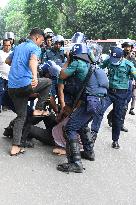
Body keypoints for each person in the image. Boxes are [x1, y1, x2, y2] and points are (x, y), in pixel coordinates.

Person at [56, 43, 109, 173]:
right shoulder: (93, 65)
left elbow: (62, 75)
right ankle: (89, 152)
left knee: (70, 128)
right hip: (100, 102)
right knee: (82, 125)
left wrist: (68, 60)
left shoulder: (77, 62)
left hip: (91, 101)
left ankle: (75, 163)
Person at [5, 28, 52, 156]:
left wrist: (18, 66)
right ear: (36, 38)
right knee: (48, 82)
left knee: (21, 116)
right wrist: (35, 77)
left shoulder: (19, 46)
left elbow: (7, 61)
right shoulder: (34, 47)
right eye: (41, 40)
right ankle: (38, 108)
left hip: (12, 87)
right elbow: (32, 60)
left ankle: (15, 147)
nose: (41, 43)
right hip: (24, 85)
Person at [92, 47, 136, 149]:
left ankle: (115, 140)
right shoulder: (109, 60)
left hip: (121, 94)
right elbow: (99, 67)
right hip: (109, 92)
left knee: (117, 117)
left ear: (121, 58)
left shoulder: (129, 65)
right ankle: (93, 133)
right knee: (99, 110)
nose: (113, 61)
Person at [0, 39, 12, 112]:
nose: (7, 47)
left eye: (9, 45)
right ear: (3, 45)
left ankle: (5, 105)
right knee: (0, 91)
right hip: (1, 75)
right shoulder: (0, 53)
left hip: (10, 77)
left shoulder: (12, 53)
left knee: (8, 92)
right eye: (6, 45)